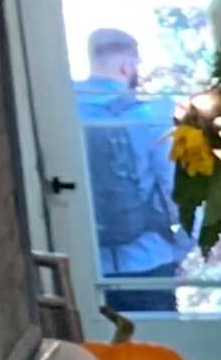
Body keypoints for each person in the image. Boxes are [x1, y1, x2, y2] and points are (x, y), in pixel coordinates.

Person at [75, 25, 192, 316]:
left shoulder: (64, 110)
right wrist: (182, 247)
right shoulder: (148, 115)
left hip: (85, 263)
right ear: (128, 66)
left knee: (98, 355)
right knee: (156, 351)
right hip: (147, 261)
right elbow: (178, 190)